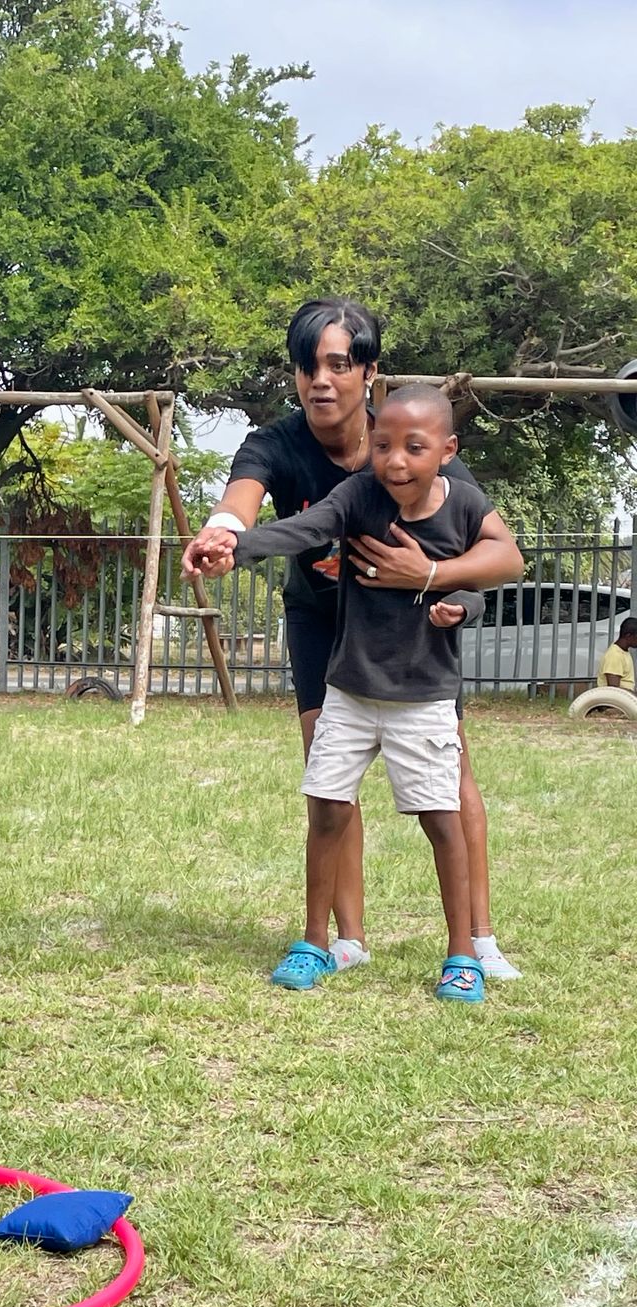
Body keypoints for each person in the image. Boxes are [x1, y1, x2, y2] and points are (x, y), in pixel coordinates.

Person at [182, 298, 524, 978]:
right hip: (321, 618)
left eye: (339, 364)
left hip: (408, 624)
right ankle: (346, 939)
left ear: (368, 372)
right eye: (309, 366)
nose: (322, 381)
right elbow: (241, 498)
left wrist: (428, 574)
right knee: (329, 776)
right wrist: (224, 533)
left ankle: (478, 942)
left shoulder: (408, 436)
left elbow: (501, 552)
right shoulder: (276, 443)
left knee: (451, 775)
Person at [224, 385, 505, 1001]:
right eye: (383, 446)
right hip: (350, 688)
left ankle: (463, 955)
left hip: (423, 694)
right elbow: (306, 526)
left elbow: (495, 572)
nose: (395, 460)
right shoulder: (357, 495)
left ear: (447, 451)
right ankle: (314, 943)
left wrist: (451, 596)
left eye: (414, 448)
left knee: (441, 821)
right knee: (326, 808)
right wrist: (237, 544)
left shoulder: (464, 506)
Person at [597, 615, 637, 692]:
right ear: (628, 636)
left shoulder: (623, 652)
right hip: (618, 702)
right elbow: (614, 690)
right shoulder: (614, 655)